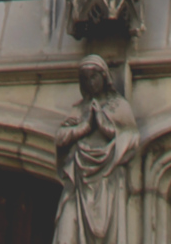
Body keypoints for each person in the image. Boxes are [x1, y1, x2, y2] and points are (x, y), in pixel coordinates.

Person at [53, 55, 139, 244]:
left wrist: (103, 125)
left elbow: (132, 138)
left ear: (104, 77)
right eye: (85, 78)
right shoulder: (79, 109)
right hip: (79, 181)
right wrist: (83, 128)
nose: (90, 82)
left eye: (93, 77)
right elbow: (60, 138)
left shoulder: (119, 106)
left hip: (107, 181)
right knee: (67, 231)